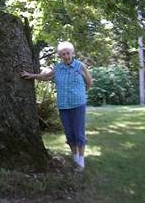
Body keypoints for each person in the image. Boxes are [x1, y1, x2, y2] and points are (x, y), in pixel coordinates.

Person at [20, 41, 92, 171]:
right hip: (63, 105)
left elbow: (89, 82)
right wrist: (31, 75)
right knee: (69, 133)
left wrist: (80, 93)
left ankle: (81, 162)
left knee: (79, 133)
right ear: (60, 56)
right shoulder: (58, 68)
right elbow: (46, 77)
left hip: (78, 104)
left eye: (68, 53)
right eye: (63, 54)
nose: (66, 56)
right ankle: (75, 157)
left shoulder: (80, 66)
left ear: (72, 53)